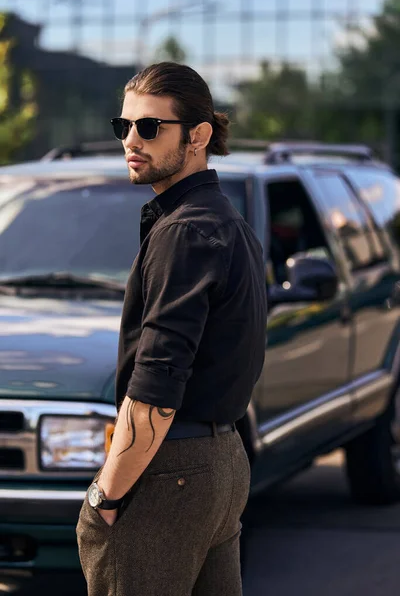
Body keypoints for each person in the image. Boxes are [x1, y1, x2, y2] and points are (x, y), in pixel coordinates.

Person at [76, 62, 267, 596]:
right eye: (124, 126)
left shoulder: (184, 232)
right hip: (222, 462)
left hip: (168, 470)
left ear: (199, 136)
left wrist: (104, 497)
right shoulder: (229, 223)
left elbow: (158, 383)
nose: (131, 140)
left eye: (150, 127)